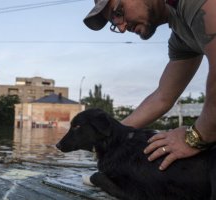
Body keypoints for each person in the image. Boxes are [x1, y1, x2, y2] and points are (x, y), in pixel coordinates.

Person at [83, 0, 216, 170]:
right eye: (114, 23)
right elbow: (162, 97)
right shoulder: (181, 36)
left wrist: (196, 137)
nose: (122, 28)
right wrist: (113, 137)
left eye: (117, 13)